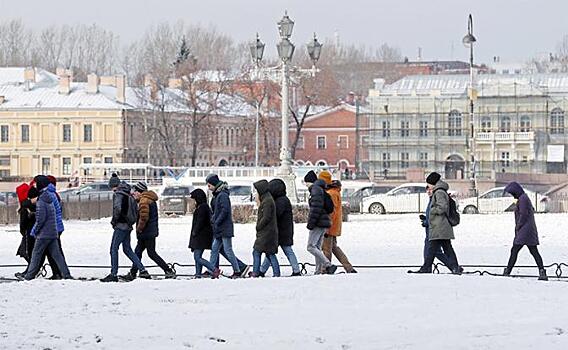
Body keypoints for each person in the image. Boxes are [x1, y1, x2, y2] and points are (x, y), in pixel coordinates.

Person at [100, 174, 150, 282]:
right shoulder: (129, 193)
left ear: (114, 186)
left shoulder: (118, 194)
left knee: (113, 248)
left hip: (121, 226)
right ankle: (142, 270)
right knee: (127, 249)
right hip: (128, 226)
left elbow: (117, 209)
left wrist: (114, 221)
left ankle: (113, 274)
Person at [122, 182, 175, 281]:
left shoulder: (144, 201)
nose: (134, 193)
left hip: (146, 232)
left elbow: (144, 217)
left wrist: (139, 228)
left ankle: (168, 270)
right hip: (149, 231)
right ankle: (133, 273)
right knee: (138, 252)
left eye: (136, 191)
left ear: (140, 191)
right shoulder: (149, 199)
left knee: (151, 253)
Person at [22, 176, 72, 280]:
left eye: (36, 184)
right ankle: (66, 274)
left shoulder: (41, 201)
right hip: (52, 232)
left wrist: (34, 231)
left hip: (44, 234)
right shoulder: (49, 197)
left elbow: (40, 220)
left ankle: (28, 276)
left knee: (36, 255)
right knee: (57, 255)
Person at [413, 172, 461, 274]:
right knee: (444, 248)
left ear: (433, 183)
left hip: (439, 226)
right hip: (440, 226)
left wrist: (432, 211)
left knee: (434, 248)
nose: (428, 186)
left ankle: (427, 267)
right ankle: (454, 267)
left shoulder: (439, 192)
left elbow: (442, 207)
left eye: (429, 184)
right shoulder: (439, 191)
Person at [503, 182, 548, 281]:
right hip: (528, 230)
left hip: (525, 230)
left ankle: (507, 271)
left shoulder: (523, 199)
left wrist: (518, 226)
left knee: (515, 250)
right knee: (533, 251)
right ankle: (542, 271)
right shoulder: (523, 198)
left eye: (512, 193)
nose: (512, 195)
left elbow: (523, 214)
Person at [259, 179, 301, 277]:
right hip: (283, 230)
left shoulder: (281, 201)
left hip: (282, 231)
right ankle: (262, 270)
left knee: (285, 250)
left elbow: (276, 214)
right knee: (273, 251)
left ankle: (296, 270)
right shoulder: (282, 199)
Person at [318, 171, 356, 273]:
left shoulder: (331, 194)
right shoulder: (335, 192)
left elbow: (331, 212)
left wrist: (326, 227)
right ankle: (348, 267)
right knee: (334, 248)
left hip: (330, 226)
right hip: (334, 226)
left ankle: (326, 269)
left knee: (326, 249)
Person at [206, 174, 243, 278]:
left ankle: (237, 270)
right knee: (214, 249)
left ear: (214, 184)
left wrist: (216, 221)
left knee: (228, 250)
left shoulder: (222, 195)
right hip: (220, 228)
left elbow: (225, 210)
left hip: (224, 228)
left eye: (209, 186)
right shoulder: (218, 195)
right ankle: (212, 269)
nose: (208, 188)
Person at [304, 170, 337, 275]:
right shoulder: (320, 189)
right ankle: (318, 271)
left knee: (310, 247)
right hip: (324, 222)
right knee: (317, 247)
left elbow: (315, 208)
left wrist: (311, 223)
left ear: (310, 182)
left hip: (318, 222)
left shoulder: (315, 190)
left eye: (306, 182)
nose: (305, 185)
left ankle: (328, 264)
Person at [416, 184, 454, 272]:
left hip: (435, 229)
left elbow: (437, 213)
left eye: (430, 190)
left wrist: (426, 221)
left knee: (435, 250)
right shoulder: (431, 200)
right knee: (434, 250)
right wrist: (425, 219)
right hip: (431, 229)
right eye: (427, 190)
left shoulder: (436, 198)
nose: (429, 192)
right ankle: (453, 266)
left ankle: (453, 266)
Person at [36, 175, 66, 279]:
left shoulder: (47, 195)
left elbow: (44, 215)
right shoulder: (53, 194)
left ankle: (58, 273)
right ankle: (62, 273)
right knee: (55, 252)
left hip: (52, 228)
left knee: (51, 253)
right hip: (55, 227)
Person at [250, 180, 280, 277]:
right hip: (268, 232)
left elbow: (266, 217)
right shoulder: (267, 199)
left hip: (266, 232)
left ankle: (255, 272)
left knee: (257, 252)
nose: (256, 193)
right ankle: (276, 273)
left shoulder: (267, 201)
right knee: (269, 253)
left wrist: (259, 226)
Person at [188, 188, 216, 277]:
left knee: (197, 257)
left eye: (193, 199)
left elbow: (200, 222)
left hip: (200, 237)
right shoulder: (202, 207)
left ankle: (214, 269)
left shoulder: (202, 208)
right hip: (200, 237)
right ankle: (198, 273)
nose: (192, 201)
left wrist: (195, 232)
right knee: (197, 256)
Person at [15, 183, 36, 278]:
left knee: (26, 252)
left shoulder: (25, 207)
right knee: (26, 252)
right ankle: (31, 269)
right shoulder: (29, 205)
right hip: (30, 232)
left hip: (29, 233)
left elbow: (23, 223)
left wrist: (22, 231)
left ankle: (32, 270)